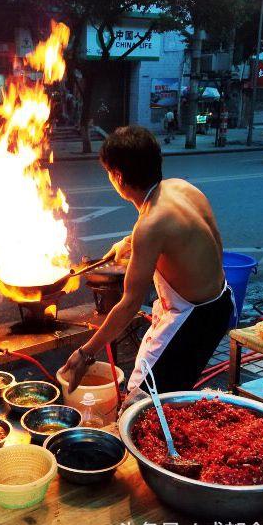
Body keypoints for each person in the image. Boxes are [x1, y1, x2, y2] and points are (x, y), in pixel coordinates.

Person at [63, 126, 235, 402]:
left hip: (194, 320)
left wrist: (86, 353)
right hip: (221, 301)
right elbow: (180, 232)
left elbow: (129, 304)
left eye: (109, 172)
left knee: (145, 401)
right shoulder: (180, 188)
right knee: (171, 392)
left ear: (117, 176)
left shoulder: (151, 224)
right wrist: (127, 241)